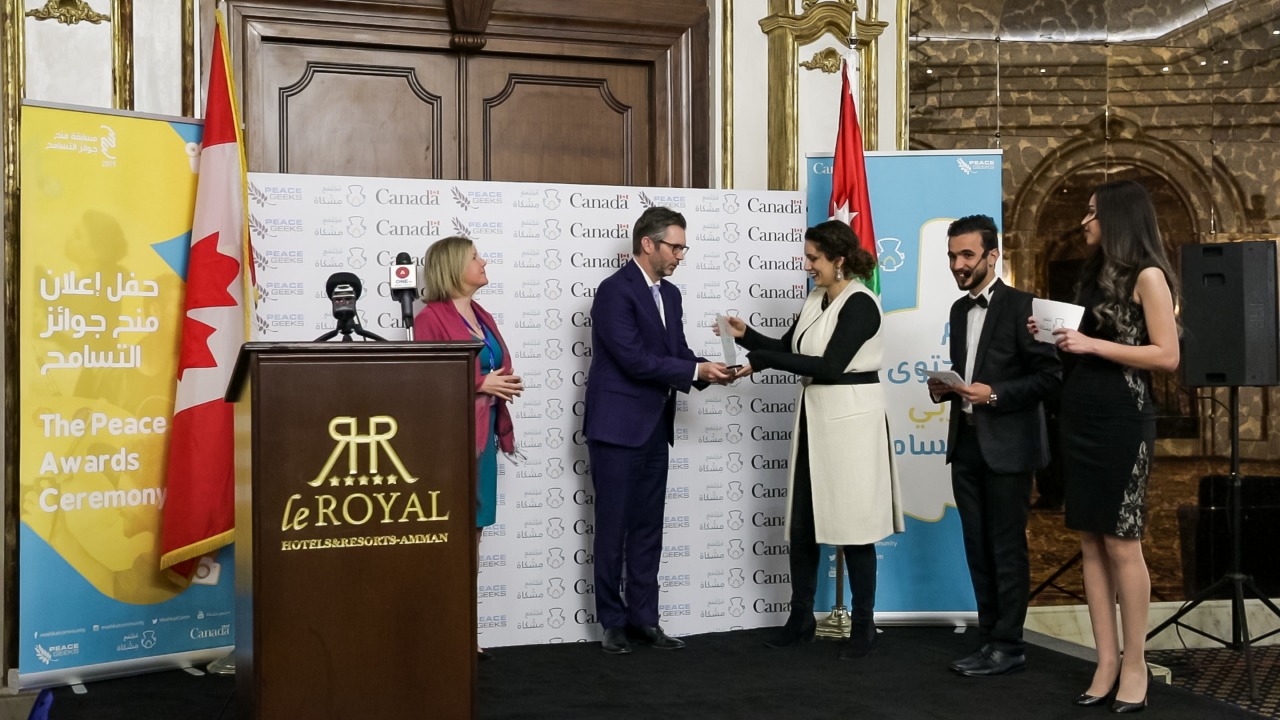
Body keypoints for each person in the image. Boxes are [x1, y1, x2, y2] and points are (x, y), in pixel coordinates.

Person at [719, 219, 903, 658]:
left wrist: (762, 359)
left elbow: (829, 366)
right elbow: (791, 349)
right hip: (815, 418)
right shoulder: (815, 299)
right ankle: (800, 617)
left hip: (852, 422)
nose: (807, 265)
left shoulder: (861, 304)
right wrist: (748, 337)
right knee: (802, 524)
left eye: (813, 258)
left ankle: (864, 625)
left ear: (839, 259)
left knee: (855, 528)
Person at [1031, 180, 1179, 712]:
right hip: (1079, 415)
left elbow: (1167, 356)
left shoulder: (1149, 276)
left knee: (1121, 541)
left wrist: (1092, 343)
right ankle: (1106, 660)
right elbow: (1084, 343)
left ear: (1117, 217)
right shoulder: (1092, 276)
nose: (1083, 221)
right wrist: (1052, 332)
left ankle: (1135, 663)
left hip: (1122, 419)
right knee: (1089, 540)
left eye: (1092, 212)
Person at [584, 206, 734, 655]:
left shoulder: (671, 294)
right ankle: (613, 623)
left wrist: (710, 370)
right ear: (647, 243)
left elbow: (676, 353)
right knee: (613, 528)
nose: (680, 256)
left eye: (684, 248)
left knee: (649, 527)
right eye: (675, 247)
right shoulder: (614, 291)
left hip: (653, 426)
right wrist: (694, 369)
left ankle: (645, 620)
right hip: (616, 428)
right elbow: (632, 359)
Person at [927, 214, 1061, 677]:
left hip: (1010, 448)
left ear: (993, 255)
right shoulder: (957, 310)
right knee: (978, 548)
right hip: (965, 444)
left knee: (1006, 549)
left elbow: (1050, 377)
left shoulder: (1028, 306)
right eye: (952, 256)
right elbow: (971, 377)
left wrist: (995, 395)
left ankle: (1009, 646)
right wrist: (947, 389)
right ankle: (988, 641)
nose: (957, 265)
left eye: (967, 255)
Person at [414, 235, 523, 662]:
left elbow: (499, 366)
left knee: (472, 537)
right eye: (475, 257)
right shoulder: (430, 318)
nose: (484, 262)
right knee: (450, 539)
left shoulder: (482, 314)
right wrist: (481, 383)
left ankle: (463, 633)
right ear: (454, 267)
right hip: (450, 443)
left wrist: (500, 382)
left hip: (484, 439)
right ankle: (441, 633)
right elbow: (426, 379)